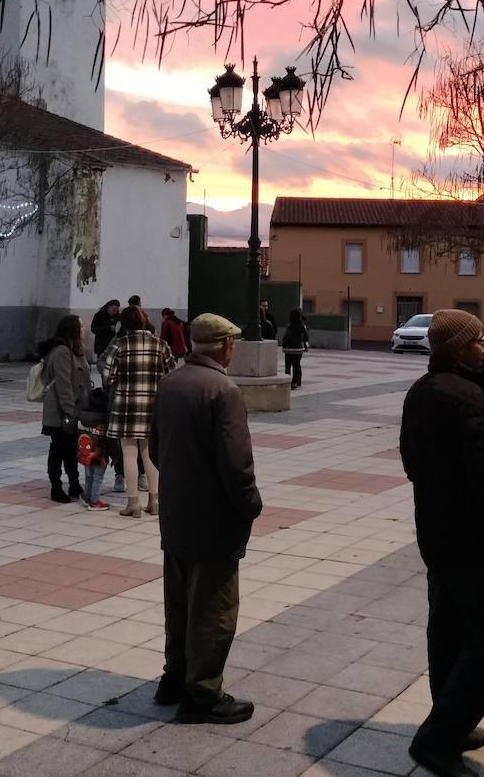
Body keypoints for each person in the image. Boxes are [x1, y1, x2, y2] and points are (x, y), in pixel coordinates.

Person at [400, 310, 484, 777]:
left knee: (447, 629)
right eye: (479, 339)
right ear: (459, 347)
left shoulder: (423, 391)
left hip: (436, 530)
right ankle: (439, 738)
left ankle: (449, 716)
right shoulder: (466, 396)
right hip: (474, 538)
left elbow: (411, 462)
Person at [149, 313, 262, 724]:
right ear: (226, 347)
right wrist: (251, 503)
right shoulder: (224, 390)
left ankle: (174, 677)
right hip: (214, 518)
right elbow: (236, 464)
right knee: (213, 607)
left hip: (177, 514)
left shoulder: (171, 382)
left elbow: (156, 447)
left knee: (177, 602)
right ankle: (203, 693)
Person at [103, 305, 175, 517]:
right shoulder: (160, 344)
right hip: (154, 406)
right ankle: (154, 500)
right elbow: (171, 373)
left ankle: (133, 502)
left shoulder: (119, 345)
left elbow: (108, 377)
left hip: (126, 405)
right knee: (150, 454)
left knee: (129, 454)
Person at [38, 315, 91, 504]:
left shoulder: (76, 351)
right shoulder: (61, 352)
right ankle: (56, 487)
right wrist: (70, 411)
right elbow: (63, 385)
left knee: (70, 449)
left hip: (75, 409)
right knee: (58, 448)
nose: (84, 330)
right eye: (81, 326)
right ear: (73, 330)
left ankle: (74, 484)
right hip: (61, 412)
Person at [280, 308, 310, 389]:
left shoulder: (290, 326)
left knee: (288, 366)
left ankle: (288, 381)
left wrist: (284, 343)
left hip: (290, 349)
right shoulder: (302, 326)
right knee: (297, 365)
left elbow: (287, 337)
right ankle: (296, 381)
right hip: (299, 349)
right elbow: (306, 337)